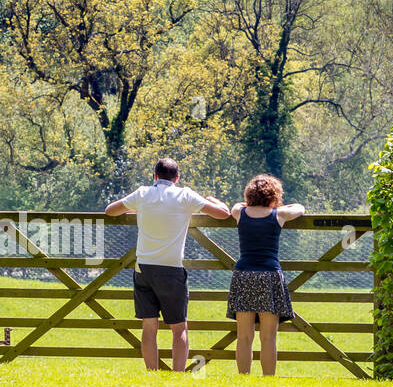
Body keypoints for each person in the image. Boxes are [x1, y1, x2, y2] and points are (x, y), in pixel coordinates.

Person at [106, 159, 230, 371]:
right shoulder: (185, 195)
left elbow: (111, 210)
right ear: (177, 178)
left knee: (149, 325)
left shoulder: (143, 194)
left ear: (155, 176)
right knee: (179, 326)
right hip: (171, 268)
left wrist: (139, 210)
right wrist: (215, 200)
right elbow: (223, 214)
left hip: (144, 267)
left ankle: (152, 372)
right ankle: (178, 373)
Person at [226, 174, 305, 375]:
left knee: (244, 336)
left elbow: (236, 205)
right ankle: (268, 379)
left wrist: (249, 204)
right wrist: (278, 205)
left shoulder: (239, 212)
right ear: (274, 195)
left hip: (244, 275)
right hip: (269, 275)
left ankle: (244, 378)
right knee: (268, 337)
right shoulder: (277, 215)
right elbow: (300, 208)